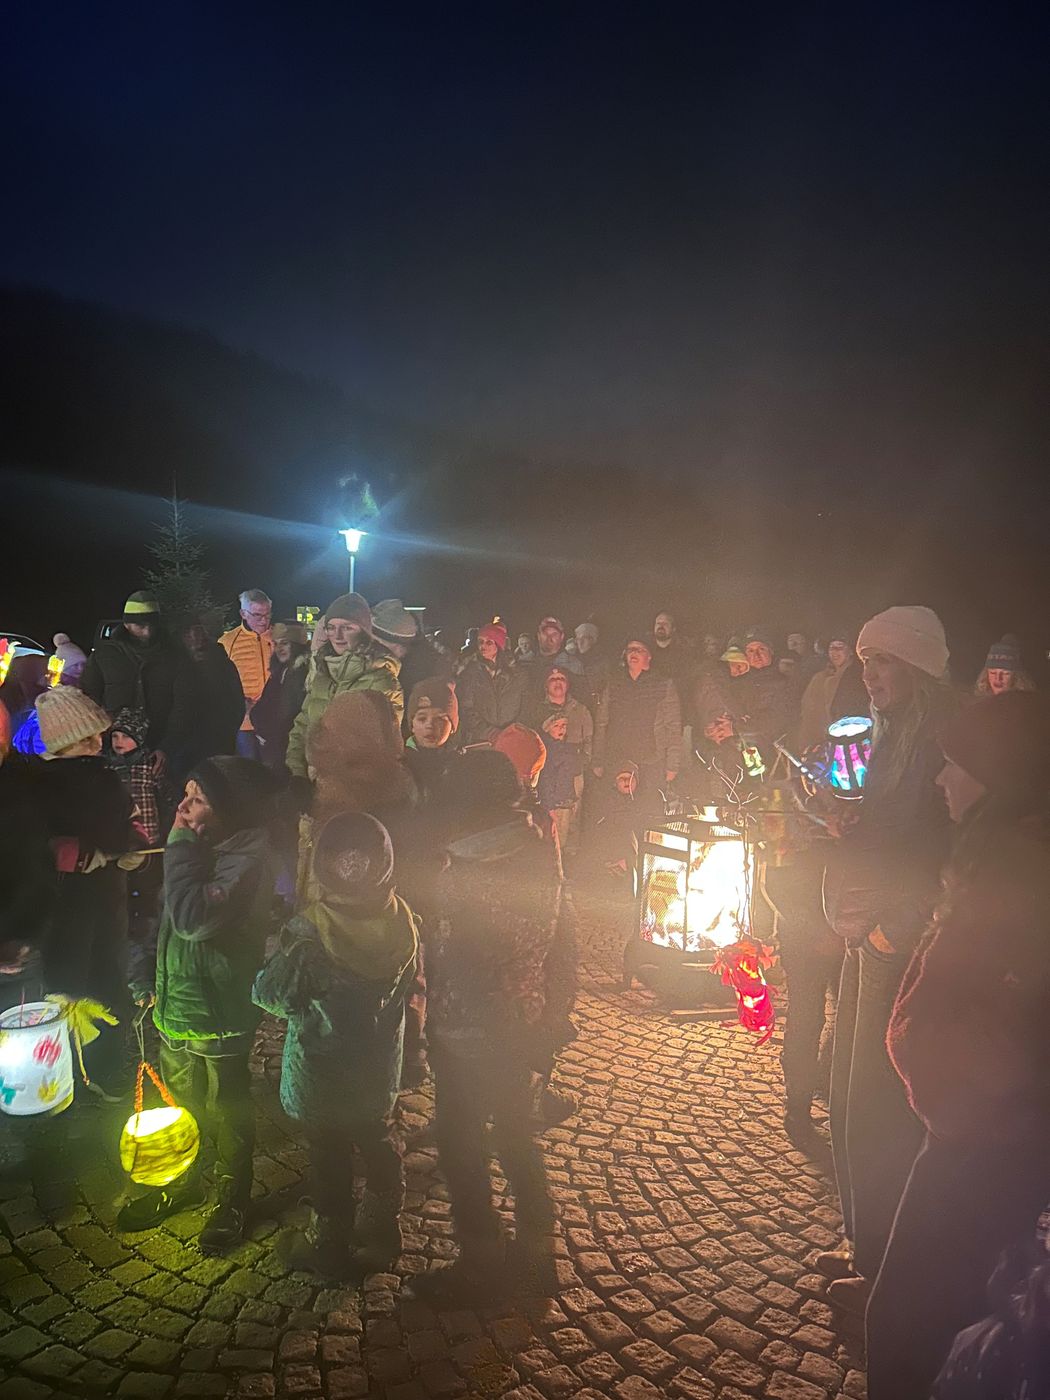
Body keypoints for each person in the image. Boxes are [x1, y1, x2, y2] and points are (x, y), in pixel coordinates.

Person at [865, 692, 1050, 1400]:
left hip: (985, 1140)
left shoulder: (1019, 869)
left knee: (912, 1324)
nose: (941, 778)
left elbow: (1013, 1024)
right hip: (981, 1133)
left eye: (955, 765)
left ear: (998, 776)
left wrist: (946, 1081)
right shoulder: (999, 854)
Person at [817, 605, 954, 1316]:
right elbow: (888, 827)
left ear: (919, 668)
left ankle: (884, 1273)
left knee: (878, 1106)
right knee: (844, 1094)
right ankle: (860, 1241)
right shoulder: (889, 731)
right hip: (863, 929)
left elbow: (943, 855)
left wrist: (891, 936)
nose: (869, 674)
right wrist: (846, 817)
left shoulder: (938, 741)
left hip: (892, 941)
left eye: (886, 662)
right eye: (866, 661)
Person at [413, 750, 561, 1302]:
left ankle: (480, 1260)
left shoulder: (470, 867)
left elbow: (463, 952)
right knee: (516, 1133)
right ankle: (539, 1254)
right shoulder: (535, 847)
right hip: (521, 1018)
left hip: (472, 1025)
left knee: (460, 1140)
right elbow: (554, 940)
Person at [119, 757, 278, 1252]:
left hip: (219, 1013)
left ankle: (233, 1195)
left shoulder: (245, 860)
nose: (183, 807)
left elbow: (191, 919)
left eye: (198, 799)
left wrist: (180, 846)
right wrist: (144, 973)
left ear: (230, 809)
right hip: (176, 1006)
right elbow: (164, 919)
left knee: (227, 1107)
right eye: (185, 794)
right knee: (179, 1103)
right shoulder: (197, 850)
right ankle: (183, 1180)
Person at [253, 811, 419, 1277]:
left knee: (328, 1153)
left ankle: (329, 1243)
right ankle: (382, 1226)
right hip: (376, 1068)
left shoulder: (310, 934)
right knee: (379, 1137)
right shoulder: (402, 921)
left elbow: (272, 995)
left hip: (321, 1073)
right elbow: (410, 989)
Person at [34, 686, 136, 1098]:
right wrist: (73, 855)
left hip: (105, 895)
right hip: (65, 901)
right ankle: (62, 1069)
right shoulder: (37, 786)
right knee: (71, 983)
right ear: (62, 744)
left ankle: (102, 1066)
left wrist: (133, 851)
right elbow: (29, 841)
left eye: (99, 735)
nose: (97, 744)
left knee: (105, 975)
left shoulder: (104, 778)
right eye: (85, 739)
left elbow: (126, 824)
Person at [285, 593, 404, 782]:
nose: (337, 635)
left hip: (354, 786)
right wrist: (297, 771)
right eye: (331, 628)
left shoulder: (381, 679)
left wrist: (334, 776)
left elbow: (383, 744)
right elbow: (303, 726)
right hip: (314, 781)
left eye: (347, 627)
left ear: (364, 631)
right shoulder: (322, 674)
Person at [81, 592, 194, 779]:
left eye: (152, 625)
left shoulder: (175, 656)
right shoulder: (105, 654)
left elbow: (184, 706)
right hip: (113, 749)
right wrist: (98, 738)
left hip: (157, 748)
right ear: (126, 625)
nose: (147, 632)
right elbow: (89, 697)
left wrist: (167, 747)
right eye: (141, 626)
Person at [593, 636, 682, 809]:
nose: (633, 653)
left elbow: (673, 727)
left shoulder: (663, 684)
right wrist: (598, 759)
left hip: (651, 759)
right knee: (615, 811)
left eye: (639, 650)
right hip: (617, 758)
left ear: (649, 656)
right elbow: (602, 723)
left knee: (649, 810)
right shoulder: (614, 683)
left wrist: (672, 765)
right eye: (630, 649)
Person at [533, 665, 593, 859]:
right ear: (546, 685)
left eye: (562, 679)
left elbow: (589, 739)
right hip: (549, 772)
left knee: (573, 816)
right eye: (553, 679)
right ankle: (553, 857)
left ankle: (571, 858)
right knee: (554, 820)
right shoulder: (538, 710)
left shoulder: (580, 710)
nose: (557, 683)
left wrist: (582, 762)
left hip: (573, 771)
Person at [371, 600, 451, 733]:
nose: (372, 648)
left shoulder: (427, 673)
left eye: (377, 643)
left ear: (398, 645)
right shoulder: (393, 665)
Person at [219, 589, 274, 761]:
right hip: (244, 724)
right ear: (243, 614)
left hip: (275, 721)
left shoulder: (280, 638)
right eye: (257, 615)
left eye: (268, 614)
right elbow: (219, 682)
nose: (264, 620)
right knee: (248, 770)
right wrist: (237, 702)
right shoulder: (227, 642)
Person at [181, 621, 245, 770]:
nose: (196, 642)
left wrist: (228, 730)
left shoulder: (223, 665)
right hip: (193, 741)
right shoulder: (182, 666)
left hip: (216, 738)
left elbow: (237, 704)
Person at [249, 622, 311, 772]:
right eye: (276, 644)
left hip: (289, 751)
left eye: (285, 643)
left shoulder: (302, 674)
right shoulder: (281, 671)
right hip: (275, 747)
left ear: (297, 645)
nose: (279, 649)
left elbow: (290, 715)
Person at [455, 622, 528, 744]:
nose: (483, 646)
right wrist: (490, 733)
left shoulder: (517, 673)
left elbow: (526, 703)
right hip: (481, 740)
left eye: (489, 642)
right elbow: (466, 707)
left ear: (498, 645)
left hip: (512, 738)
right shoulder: (471, 673)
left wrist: (515, 730)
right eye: (480, 642)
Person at [797, 630, 870, 750]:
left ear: (850, 651)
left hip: (850, 742)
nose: (835, 652)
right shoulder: (820, 677)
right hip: (820, 743)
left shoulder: (856, 676)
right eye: (832, 648)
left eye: (840, 648)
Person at [404, 678, 459, 801]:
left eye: (439, 719)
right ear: (412, 725)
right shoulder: (400, 766)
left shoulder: (461, 766)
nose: (430, 725)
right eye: (422, 718)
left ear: (452, 727)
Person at [648, 611, 693, 689]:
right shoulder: (644, 648)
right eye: (658, 623)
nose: (661, 626)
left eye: (665, 624)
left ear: (673, 629)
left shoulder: (684, 650)